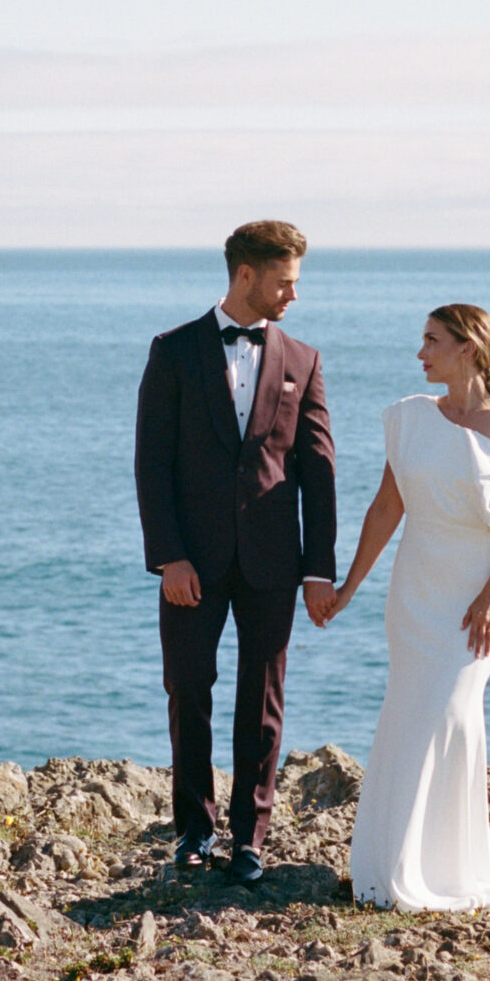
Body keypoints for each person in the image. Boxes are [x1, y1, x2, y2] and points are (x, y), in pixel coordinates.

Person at [316, 303, 490, 914]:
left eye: (432, 341)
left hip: (477, 594)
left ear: (467, 347)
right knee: (410, 712)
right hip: (414, 593)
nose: (421, 354)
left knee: (452, 713)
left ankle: (444, 864)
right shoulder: (411, 419)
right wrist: (349, 587)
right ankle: (389, 865)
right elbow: (387, 508)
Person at [133, 221, 339, 884]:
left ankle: (251, 838)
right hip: (191, 561)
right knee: (188, 690)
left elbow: (318, 470)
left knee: (264, 699)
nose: (293, 296)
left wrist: (318, 569)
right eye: (285, 282)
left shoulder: (303, 360)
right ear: (246, 275)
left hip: (274, 562)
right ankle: (194, 831)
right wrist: (169, 558)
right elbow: (151, 463)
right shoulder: (173, 351)